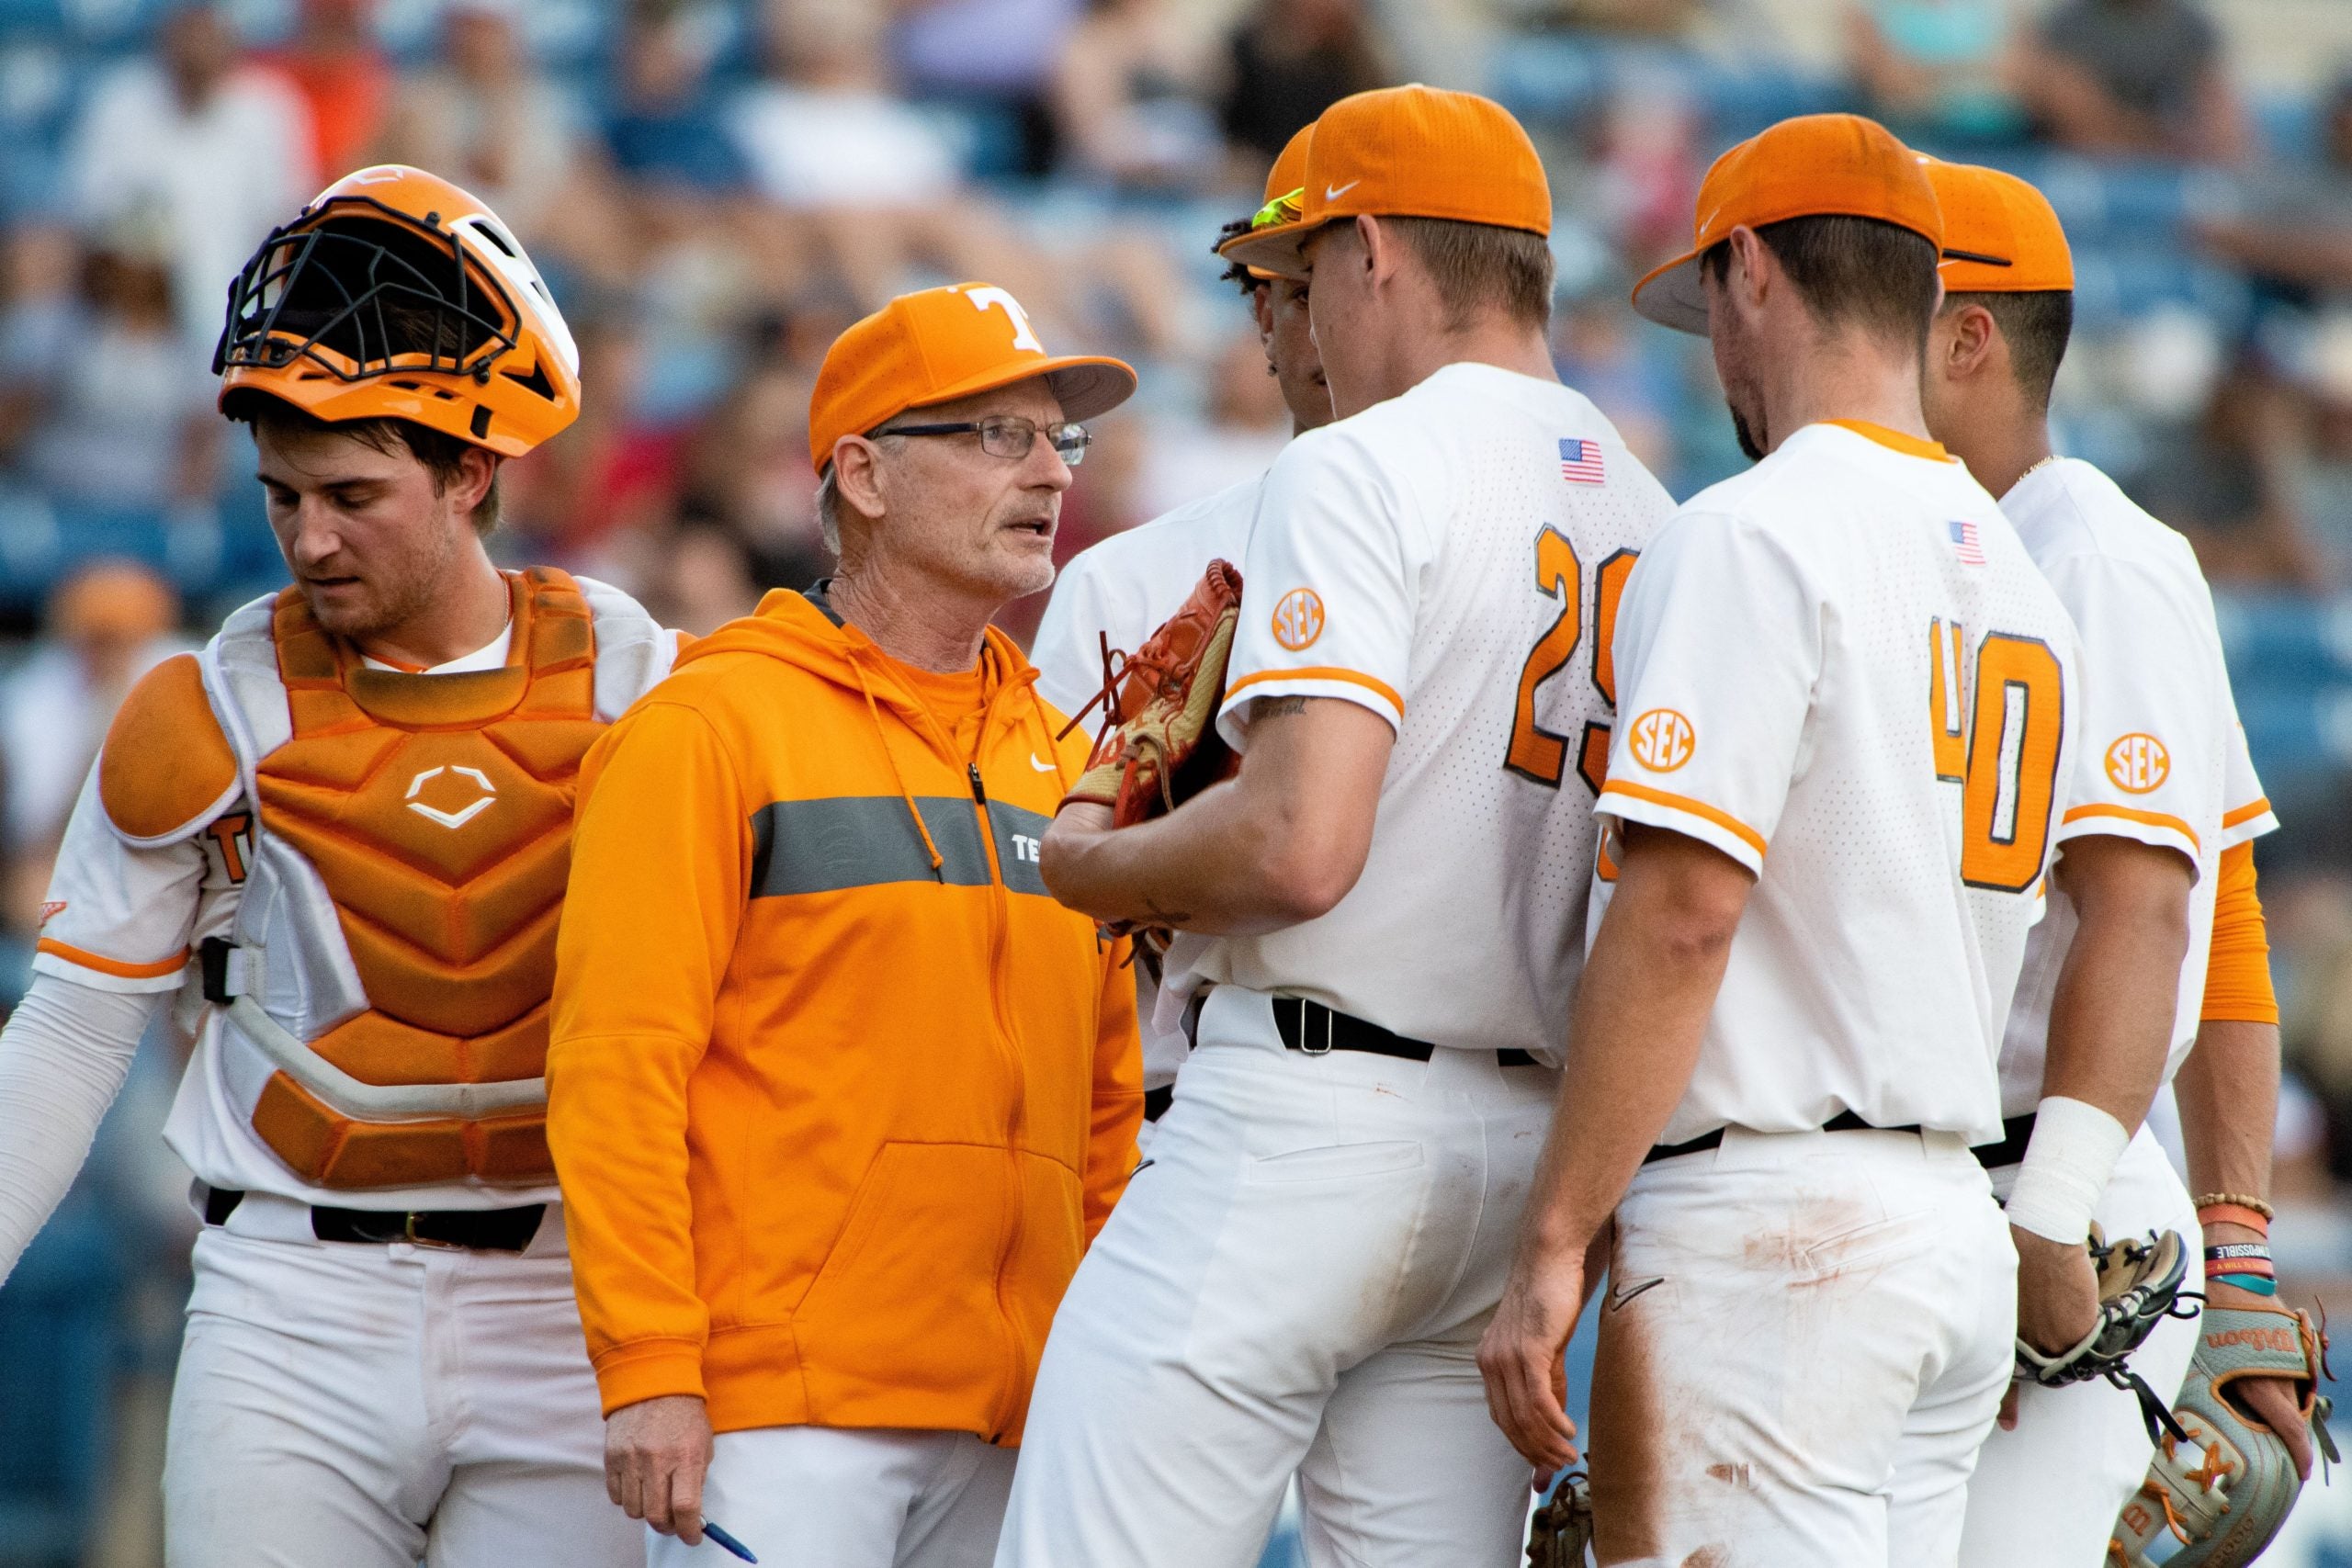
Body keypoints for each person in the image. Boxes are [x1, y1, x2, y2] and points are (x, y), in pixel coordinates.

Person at [999, 85, 1677, 1567]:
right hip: (1522, 1147)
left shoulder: (1359, 460)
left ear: (1372, 250)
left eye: (1302, 273)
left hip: (1306, 1117)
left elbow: (1298, 846)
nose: (1294, 319)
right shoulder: (1653, 505)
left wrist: (1093, 862)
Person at [0, 166, 675, 1566]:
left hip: (568, 1297)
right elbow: (69, 1029)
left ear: (471, 471)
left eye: (354, 493)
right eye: (282, 495)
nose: (310, 537)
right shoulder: (205, 705)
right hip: (288, 1304)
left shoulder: (638, 677)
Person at [1480, 114, 2082, 1566]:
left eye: (1711, 306)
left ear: (1750, 267)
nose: (1719, 359)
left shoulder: (1755, 528)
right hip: (1949, 1217)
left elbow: (1684, 911)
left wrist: (1557, 1229)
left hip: (1778, 1227)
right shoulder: (2016, 564)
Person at [548, 281, 1146, 1568]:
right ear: (864, 475)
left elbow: (1106, 1106)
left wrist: (1097, 1367)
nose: (1052, 472)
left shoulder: (1065, 756)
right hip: (785, 1418)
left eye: (1059, 439)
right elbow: (616, 1070)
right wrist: (648, 1363)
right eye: (998, 435)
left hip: (1024, 1415)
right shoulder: (708, 727)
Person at [1914, 158, 2307, 1562]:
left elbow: (2210, 907)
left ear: (1966, 338)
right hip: (1942, 1185)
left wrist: (2237, 1242)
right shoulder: (1928, 550)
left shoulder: (2092, 552)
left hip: (2056, 1197)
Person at [1028, 128, 1329, 1137]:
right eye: (1300, 289)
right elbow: (1046, 889)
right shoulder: (1128, 578)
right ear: (1262, 314)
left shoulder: (1554, 546)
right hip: (1178, 1108)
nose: (1343, 320)